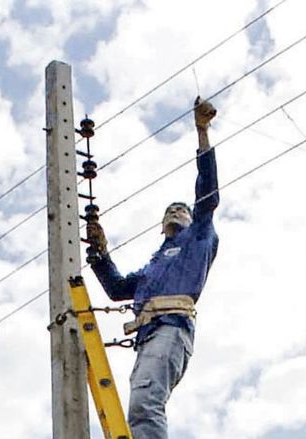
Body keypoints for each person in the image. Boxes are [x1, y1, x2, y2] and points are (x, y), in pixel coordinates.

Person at [87, 96, 219, 439]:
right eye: (170, 210)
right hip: (150, 337)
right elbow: (116, 289)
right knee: (139, 408)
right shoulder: (151, 268)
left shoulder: (198, 238)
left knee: (145, 406)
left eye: (182, 209)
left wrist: (202, 132)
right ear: (161, 225)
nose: (176, 211)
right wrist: (100, 253)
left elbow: (207, 194)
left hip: (172, 328)